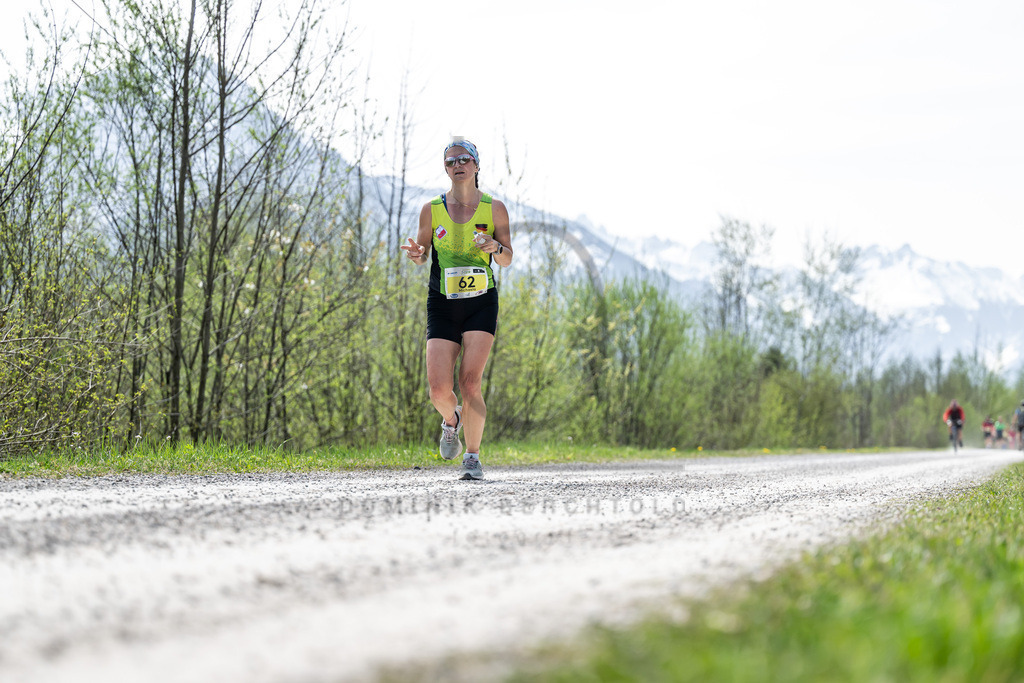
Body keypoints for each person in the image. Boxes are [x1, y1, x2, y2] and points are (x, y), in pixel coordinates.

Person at [400, 138, 513, 480]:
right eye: (451, 161)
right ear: (446, 169)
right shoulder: (431, 209)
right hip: (442, 302)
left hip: (481, 301)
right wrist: (418, 255)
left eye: (465, 159)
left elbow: (507, 259)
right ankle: (452, 420)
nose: (458, 165)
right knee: (437, 389)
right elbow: (421, 255)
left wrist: (496, 246)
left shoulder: (494, 209)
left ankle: (473, 457)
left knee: (469, 381)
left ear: (477, 165)